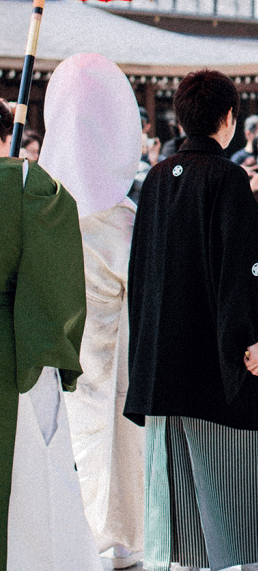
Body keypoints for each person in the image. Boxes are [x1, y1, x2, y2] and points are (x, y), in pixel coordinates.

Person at [124, 70, 258, 571]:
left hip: (169, 349)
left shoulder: (155, 178)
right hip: (220, 344)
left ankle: (190, 558)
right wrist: (254, 337)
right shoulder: (227, 178)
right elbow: (246, 265)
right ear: (228, 118)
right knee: (250, 450)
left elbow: (143, 269)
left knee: (185, 462)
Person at [39, 53, 145, 569]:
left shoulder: (35, 196)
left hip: (45, 342)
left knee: (55, 440)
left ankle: (60, 539)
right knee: (116, 439)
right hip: (112, 342)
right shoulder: (123, 215)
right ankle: (119, 538)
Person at [0, 98, 101, 571]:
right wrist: (55, 347)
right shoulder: (29, 186)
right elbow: (58, 284)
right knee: (35, 474)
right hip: (18, 346)